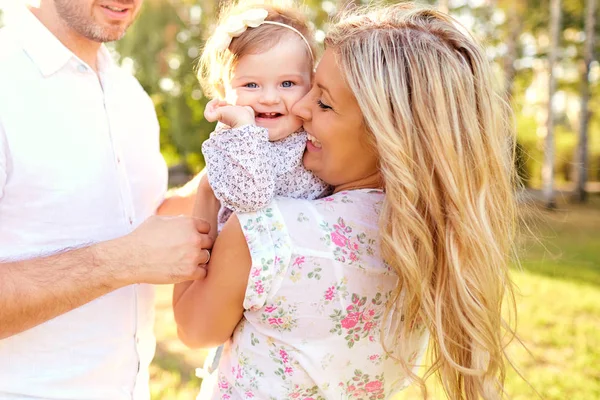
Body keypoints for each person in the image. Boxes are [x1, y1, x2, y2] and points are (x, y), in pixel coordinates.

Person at [175, 2, 517, 400]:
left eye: (323, 102)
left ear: (385, 131)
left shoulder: (267, 235)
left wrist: (205, 193)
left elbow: (192, 328)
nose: (300, 108)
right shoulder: (430, 237)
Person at [0, 1, 210, 399]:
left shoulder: (129, 93)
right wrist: (124, 260)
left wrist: (220, 175)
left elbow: (137, 223)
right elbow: (133, 250)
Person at [197, 2, 331, 239]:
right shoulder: (229, 143)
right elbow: (251, 198)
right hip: (246, 262)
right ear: (222, 91)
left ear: (311, 85)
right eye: (251, 85)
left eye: (287, 84)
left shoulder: (316, 132)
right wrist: (244, 129)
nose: (269, 99)